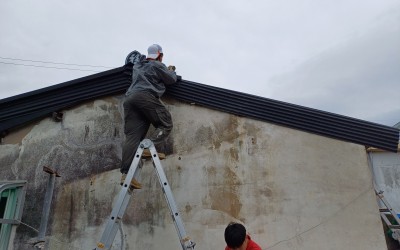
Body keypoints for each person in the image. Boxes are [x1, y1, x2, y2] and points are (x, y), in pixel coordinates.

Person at [120, 44, 178, 189]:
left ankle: (126, 175)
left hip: (130, 99)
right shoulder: (157, 65)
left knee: (133, 136)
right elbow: (171, 79)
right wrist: (170, 70)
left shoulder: (138, 66)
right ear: (160, 55)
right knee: (165, 124)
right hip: (145, 96)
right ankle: (148, 146)